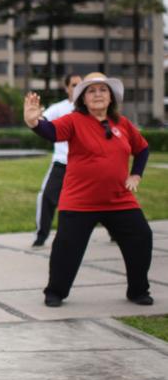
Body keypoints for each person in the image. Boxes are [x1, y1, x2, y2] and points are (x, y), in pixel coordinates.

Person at [23, 72, 152, 307]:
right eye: (91, 91)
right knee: (66, 249)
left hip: (119, 200)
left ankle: (138, 291)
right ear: (82, 98)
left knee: (141, 238)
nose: (98, 94)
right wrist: (34, 121)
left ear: (111, 97)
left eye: (103, 90)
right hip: (80, 202)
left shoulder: (122, 124)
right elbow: (50, 132)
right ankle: (55, 292)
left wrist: (136, 174)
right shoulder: (74, 120)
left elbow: (142, 149)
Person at [32, 73, 83, 248]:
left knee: (102, 197)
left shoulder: (91, 109)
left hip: (85, 165)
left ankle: (115, 232)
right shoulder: (58, 108)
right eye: (74, 85)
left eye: (81, 85)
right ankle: (41, 236)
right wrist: (34, 116)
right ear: (67, 88)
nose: (78, 88)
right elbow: (41, 122)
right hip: (62, 163)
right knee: (46, 197)